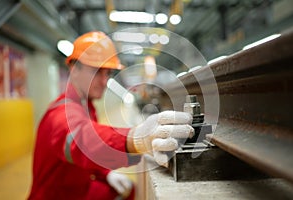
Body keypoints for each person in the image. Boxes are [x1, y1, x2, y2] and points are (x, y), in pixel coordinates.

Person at [28, 31, 194, 200]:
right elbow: (82, 141)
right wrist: (135, 138)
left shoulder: (88, 107)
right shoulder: (60, 114)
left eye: (107, 73)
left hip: (77, 190)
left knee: (127, 191)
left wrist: (105, 173)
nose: (104, 81)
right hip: (54, 196)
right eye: (97, 71)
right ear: (74, 68)